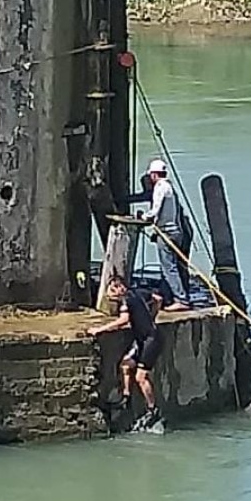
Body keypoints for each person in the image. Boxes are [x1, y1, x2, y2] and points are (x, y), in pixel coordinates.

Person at [88, 275, 164, 432]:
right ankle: (126, 398)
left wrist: (99, 329)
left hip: (151, 341)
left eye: (110, 291)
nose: (109, 296)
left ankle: (153, 410)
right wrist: (152, 318)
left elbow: (123, 320)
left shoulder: (125, 300)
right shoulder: (138, 292)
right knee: (126, 365)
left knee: (141, 377)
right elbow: (158, 299)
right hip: (146, 338)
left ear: (119, 288)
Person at [122, 169, 194, 298]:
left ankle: (181, 296)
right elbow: (142, 197)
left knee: (176, 265)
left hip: (180, 231)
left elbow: (150, 208)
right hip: (175, 230)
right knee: (171, 264)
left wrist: (122, 201)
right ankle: (173, 294)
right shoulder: (164, 189)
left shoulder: (160, 190)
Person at [140, 159, 191, 312]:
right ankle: (166, 295)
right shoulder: (169, 187)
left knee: (169, 268)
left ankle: (181, 299)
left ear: (154, 175)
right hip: (176, 232)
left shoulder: (160, 188)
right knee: (171, 267)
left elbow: (155, 211)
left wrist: (143, 216)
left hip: (167, 234)